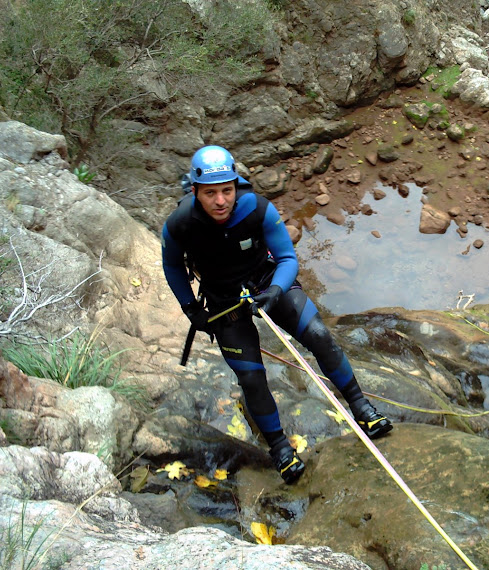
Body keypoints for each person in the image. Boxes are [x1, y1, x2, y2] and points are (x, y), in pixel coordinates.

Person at [161, 145, 392, 483]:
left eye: (227, 190)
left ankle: (361, 408)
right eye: (211, 193)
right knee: (252, 378)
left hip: (268, 281)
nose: (221, 201)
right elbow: (171, 265)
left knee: (319, 336)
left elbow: (287, 258)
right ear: (195, 191)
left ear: (236, 185)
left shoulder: (257, 209)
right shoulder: (180, 224)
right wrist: (190, 308)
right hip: (223, 300)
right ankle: (281, 450)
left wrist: (276, 291)